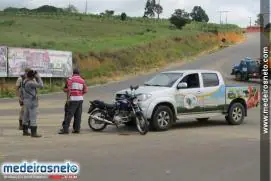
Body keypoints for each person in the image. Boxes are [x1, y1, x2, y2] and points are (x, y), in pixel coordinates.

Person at [59, 68, 88, 134]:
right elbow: (86, 90)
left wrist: (68, 99)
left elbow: (69, 89)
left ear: (73, 73)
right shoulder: (82, 80)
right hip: (80, 99)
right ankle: (77, 129)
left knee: (69, 114)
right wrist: (80, 94)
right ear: (79, 73)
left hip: (73, 99)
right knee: (78, 115)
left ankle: (65, 129)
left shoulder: (70, 79)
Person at [21, 70, 44, 137]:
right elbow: (41, 85)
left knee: (26, 116)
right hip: (32, 101)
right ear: (33, 76)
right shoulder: (30, 82)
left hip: (26, 101)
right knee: (33, 117)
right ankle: (34, 133)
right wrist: (39, 77)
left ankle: (25, 131)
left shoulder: (24, 81)